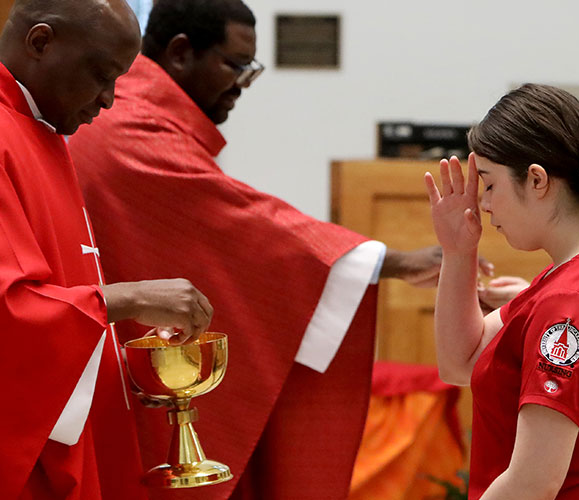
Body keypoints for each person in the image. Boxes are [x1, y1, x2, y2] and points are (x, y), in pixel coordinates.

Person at [67, 1, 461, 498]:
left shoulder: (137, 116)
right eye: (235, 66)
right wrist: (394, 261)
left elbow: (234, 222)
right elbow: (249, 227)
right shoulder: (128, 125)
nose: (242, 84)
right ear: (182, 53)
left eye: (251, 70)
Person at [0, 0, 216, 498]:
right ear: (40, 42)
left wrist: (119, 366)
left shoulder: (34, 127)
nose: (109, 99)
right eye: (101, 74)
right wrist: (131, 299)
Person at [425, 84, 579, 499]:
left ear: (536, 179)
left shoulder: (574, 302)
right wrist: (459, 251)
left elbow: (533, 482)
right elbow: (460, 362)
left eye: (490, 185)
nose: (485, 204)